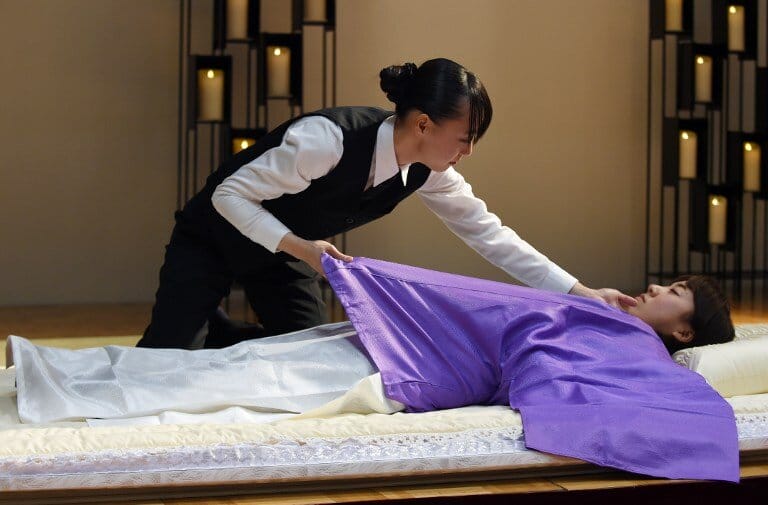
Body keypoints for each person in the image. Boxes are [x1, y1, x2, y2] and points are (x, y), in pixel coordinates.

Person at [9, 257, 739, 481]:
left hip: (408, 368)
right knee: (237, 359)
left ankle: (53, 387)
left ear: (683, 327)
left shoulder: (634, 350)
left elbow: (552, 369)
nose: (653, 288)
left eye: (669, 293)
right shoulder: (610, 317)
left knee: (218, 383)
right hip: (394, 339)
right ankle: (56, 372)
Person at [139, 57, 637, 349]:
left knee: (311, 359)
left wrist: (579, 292)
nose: (468, 153)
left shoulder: (429, 173)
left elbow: (490, 235)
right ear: (423, 124)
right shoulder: (327, 140)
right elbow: (228, 195)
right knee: (162, 361)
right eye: (464, 138)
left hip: (286, 254)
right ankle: (194, 331)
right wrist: (300, 245)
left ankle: (218, 336)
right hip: (215, 233)